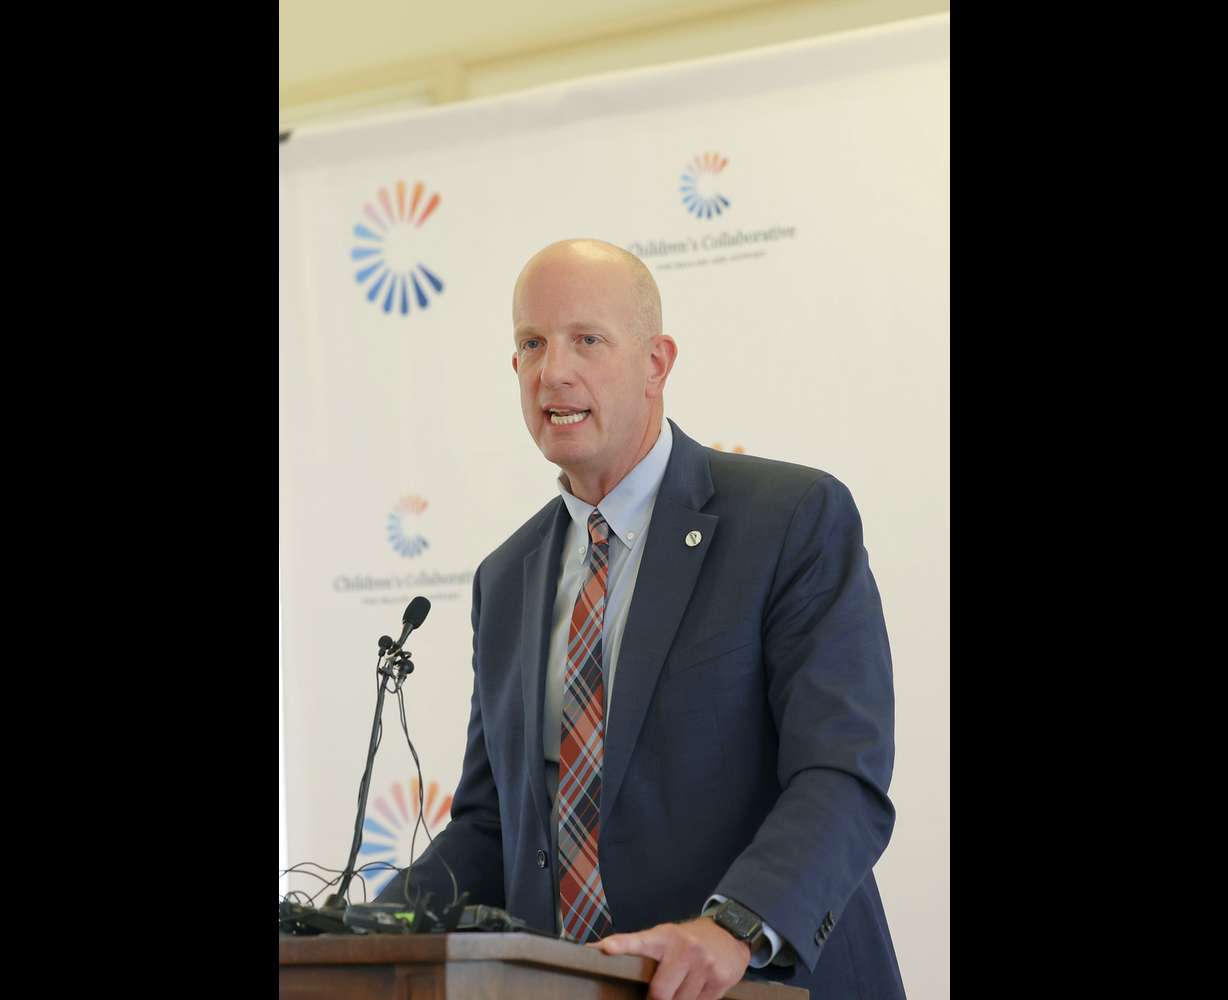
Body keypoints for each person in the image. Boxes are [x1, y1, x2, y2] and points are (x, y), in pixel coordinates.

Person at [378, 238, 905, 1000]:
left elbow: (842, 773)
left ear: (657, 362)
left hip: (763, 986)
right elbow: (494, 830)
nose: (553, 370)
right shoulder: (507, 577)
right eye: (531, 343)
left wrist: (734, 927)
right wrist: (356, 928)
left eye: (587, 340)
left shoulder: (789, 519)